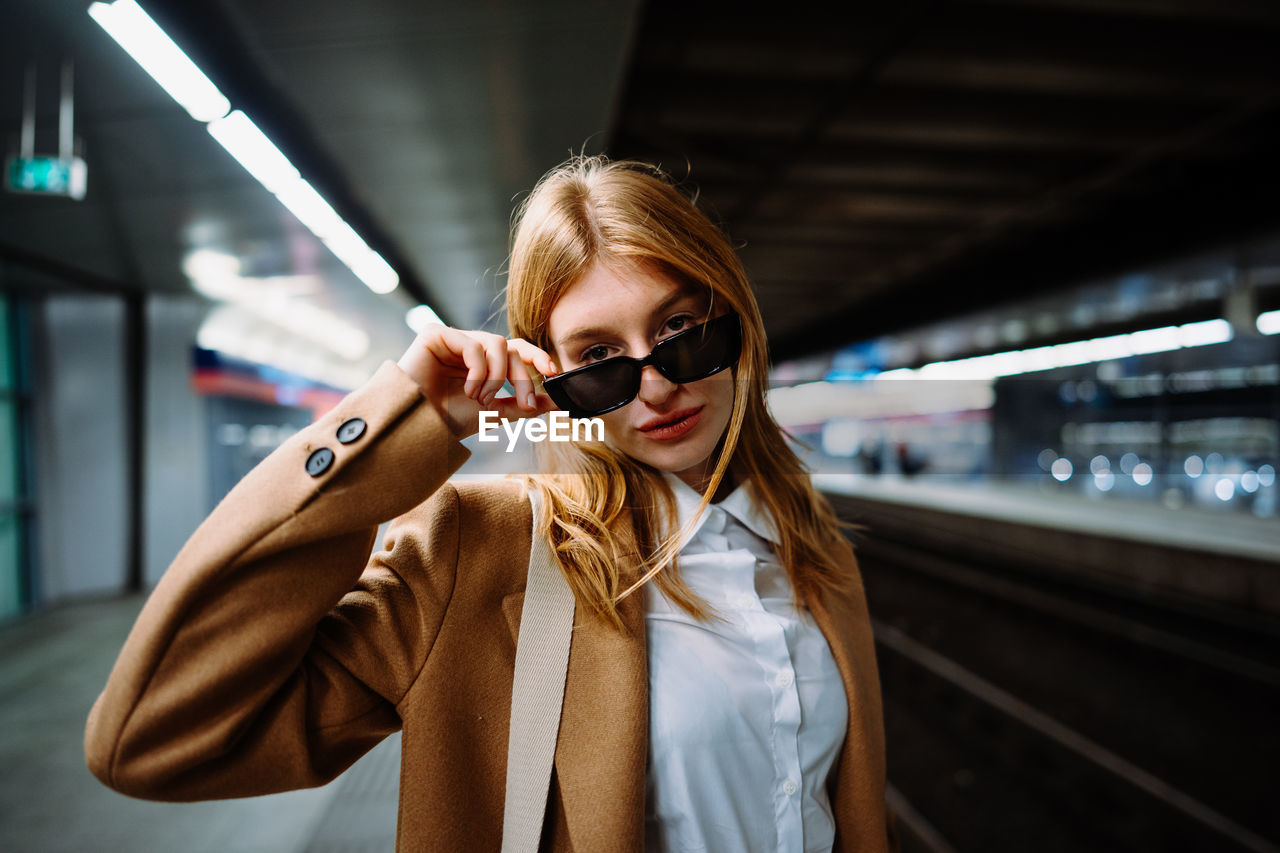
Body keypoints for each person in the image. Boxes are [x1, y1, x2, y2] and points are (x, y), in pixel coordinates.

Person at [85, 156, 897, 852]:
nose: (657, 386)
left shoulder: (811, 546)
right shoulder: (485, 552)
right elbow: (152, 737)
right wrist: (401, 420)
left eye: (682, 327)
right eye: (600, 358)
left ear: (736, 318)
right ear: (554, 379)